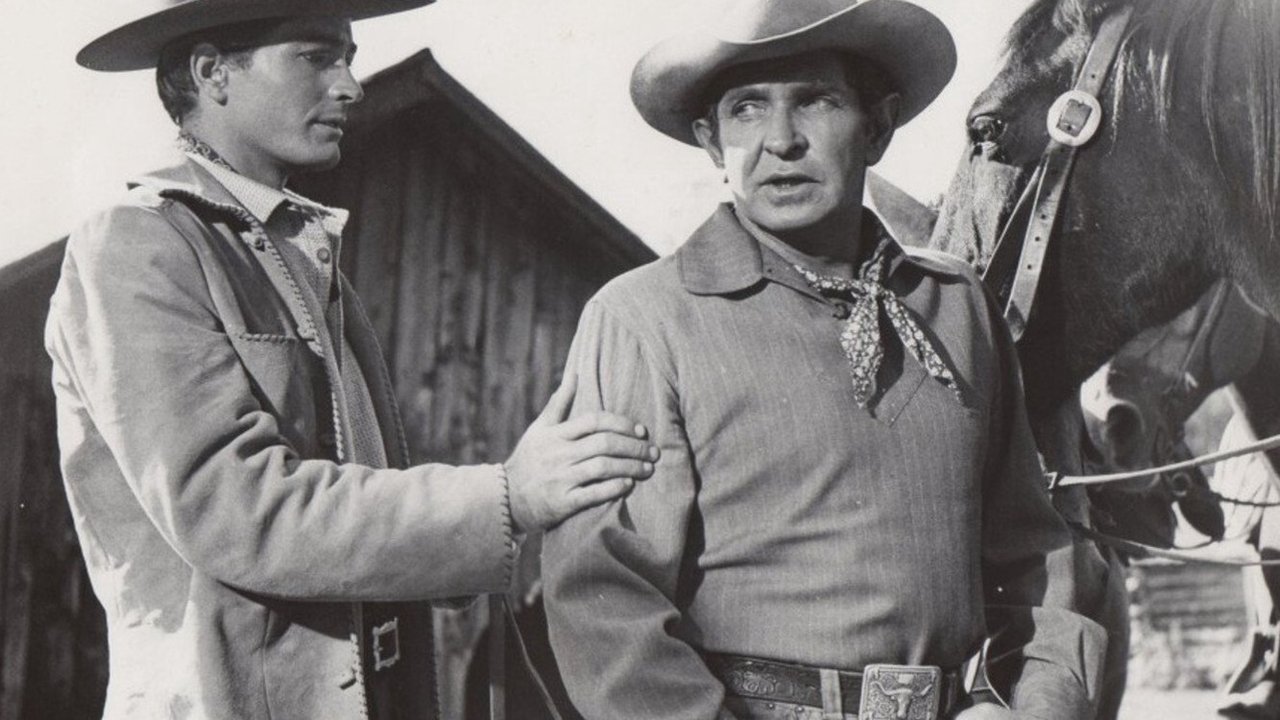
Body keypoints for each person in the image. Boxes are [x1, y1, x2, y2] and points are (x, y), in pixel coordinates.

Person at [46, 2, 657, 718]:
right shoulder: (138, 243)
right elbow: (237, 510)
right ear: (212, 72)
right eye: (315, 58)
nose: (350, 86)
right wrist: (504, 498)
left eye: (349, 59)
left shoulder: (294, 248)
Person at [541, 1, 1108, 719]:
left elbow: (1038, 561)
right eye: (746, 109)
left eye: (816, 100)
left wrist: (1038, 705)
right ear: (712, 142)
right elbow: (605, 603)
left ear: (877, 127)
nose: (781, 140)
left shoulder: (958, 307)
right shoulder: (645, 319)